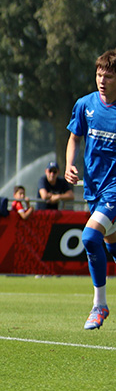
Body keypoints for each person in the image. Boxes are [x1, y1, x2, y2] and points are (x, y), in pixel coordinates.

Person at [65, 49, 116, 330]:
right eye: (99, 75)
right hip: (93, 189)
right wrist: (69, 165)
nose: (102, 80)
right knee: (112, 245)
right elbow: (74, 138)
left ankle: (99, 305)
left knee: (88, 237)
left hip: (114, 189)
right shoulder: (86, 105)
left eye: (108, 76)